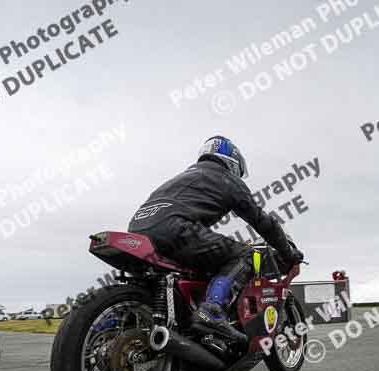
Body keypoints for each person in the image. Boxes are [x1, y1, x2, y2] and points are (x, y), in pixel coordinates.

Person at [127, 135, 304, 343]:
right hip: (175, 229)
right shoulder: (227, 179)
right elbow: (262, 221)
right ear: (233, 161)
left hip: (137, 230)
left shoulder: (183, 177)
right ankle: (212, 309)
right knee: (245, 254)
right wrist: (287, 252)